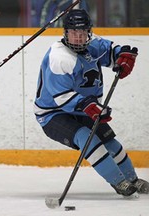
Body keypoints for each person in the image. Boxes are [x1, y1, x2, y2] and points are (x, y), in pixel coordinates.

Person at [34, 9, 148, 197]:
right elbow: (62, 97)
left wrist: (123, 57)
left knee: (110, 142)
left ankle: (133, 179)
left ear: (89, 32)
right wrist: (91, 107)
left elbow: (111, 52)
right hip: (53, 113)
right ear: (65, 33)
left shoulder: (93, 43)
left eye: (82, 33)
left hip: (85, 108)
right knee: (87, 138)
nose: (78, 38)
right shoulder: (59, 57)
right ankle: (119, 182)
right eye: (73, 33)